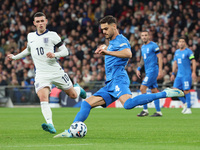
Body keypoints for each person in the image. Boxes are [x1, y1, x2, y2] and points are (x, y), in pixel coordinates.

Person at [54, 15, 184, 138]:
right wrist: (106, 48)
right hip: (110, 83)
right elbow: (114, 51)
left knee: (128, 104)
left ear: (114, 26)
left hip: (119, 79)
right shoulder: (112, 42)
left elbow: (128, 53)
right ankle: (71, 131)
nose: (103, 31)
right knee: (86, 104)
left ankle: (164, 93)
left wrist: (107, 51)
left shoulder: (121, 40)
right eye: (102, 29)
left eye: (106, 29)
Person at [7, 12, 86, 134]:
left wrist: (55, 54)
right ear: (34, 23)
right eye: (37, 21)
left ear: (46, 21)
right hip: (41, 74)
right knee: (43, 98)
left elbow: (65, 51)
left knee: (73, 95)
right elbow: (28, 50)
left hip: (56, 71)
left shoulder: (53, 35)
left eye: (42, 21)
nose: (40, 23)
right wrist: (15, 57)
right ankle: (50, 124)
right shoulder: (31, 36)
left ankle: (78, 89)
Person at [136, 31, 163, 117]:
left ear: (149, 36)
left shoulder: (153, 45)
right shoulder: (143, 47)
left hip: (153, 70)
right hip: (148, 71)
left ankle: (145, 110)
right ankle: (158, 112)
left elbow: (160, 57)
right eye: (142, 35)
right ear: (141, 37)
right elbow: (142, 59)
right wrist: (139, 68)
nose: (144, 37)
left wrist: (160, 70)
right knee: (154, 91)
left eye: (145, 35)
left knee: (142, 88)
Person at [170, 37, 197, 114]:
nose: (181, 43)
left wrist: (194, 72)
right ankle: (185, 104)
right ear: (178, 43)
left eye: (183, 41)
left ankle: (188, 108)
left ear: (185, 43)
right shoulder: (177, 52)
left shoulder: (188, 52)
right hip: (179, 75)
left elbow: (194, 61)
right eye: (180, 41)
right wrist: (172, 73)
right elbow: (175, 63)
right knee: (175, 90)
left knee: (186, 90)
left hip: (186, 75)